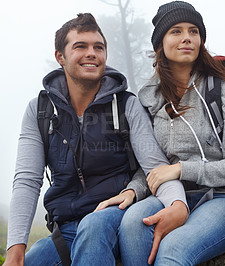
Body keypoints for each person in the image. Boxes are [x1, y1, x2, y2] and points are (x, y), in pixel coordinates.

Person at [4, 13, 188, 266]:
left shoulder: (126, 105)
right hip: (68, 229)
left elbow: (156, 168)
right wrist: (15, 250)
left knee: (93, 225)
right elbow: (27, 180)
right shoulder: (41, 110)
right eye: (80, 46)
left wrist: (178, 204)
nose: (92, 53)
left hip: (118, 217)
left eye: (98, 47)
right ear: (60, 57)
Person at [117, 1, 225, 265]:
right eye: (176, 31)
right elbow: (153, 165)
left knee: (174, 250)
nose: (187, 38)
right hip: (172, 195)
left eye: (193, 31)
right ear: (161, 42)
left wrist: (181, 169)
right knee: (133, 223)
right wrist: (134, 189)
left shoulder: (220, 87)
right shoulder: (150, 97)